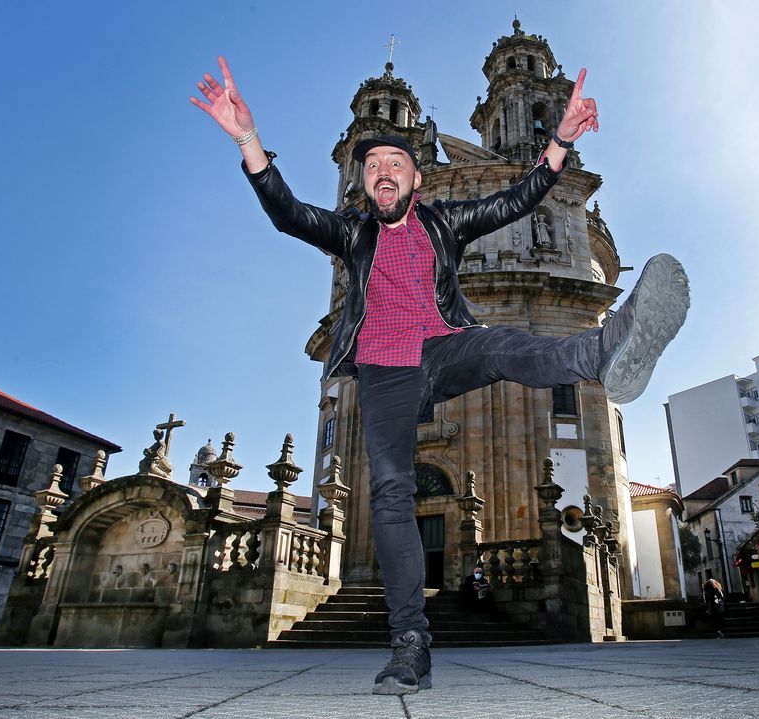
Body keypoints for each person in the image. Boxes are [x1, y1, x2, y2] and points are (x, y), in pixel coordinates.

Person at [191, 56, 689, 695]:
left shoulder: (446, 220)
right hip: (385, 373)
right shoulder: (350, 232)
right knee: (391, 494)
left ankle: (603, 350)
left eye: (395, 163)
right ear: (363, 182)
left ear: (418, 178)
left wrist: (561, 141)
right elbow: (288, 212)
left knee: (503, 344)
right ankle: (410, 641)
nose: (383, 172)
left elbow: (517, 198)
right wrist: (247, 138)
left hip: (444, 348)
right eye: (371, 165)